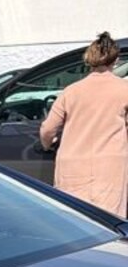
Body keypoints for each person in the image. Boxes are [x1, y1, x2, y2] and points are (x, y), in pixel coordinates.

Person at [40, 32, 128, 215]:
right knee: (107, 221)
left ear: (89, 59)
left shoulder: (71, 91)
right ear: (115, 60)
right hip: (110, 168)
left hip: (72, 166)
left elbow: (48, 129)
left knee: (73, 219)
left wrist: (48, 144)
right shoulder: (124, 90)